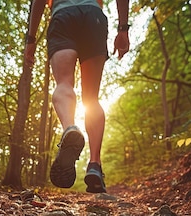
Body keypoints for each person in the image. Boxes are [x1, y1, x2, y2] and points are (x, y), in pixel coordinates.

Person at [24, 0, 130, 193]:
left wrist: (30, 38)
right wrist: (123, 28)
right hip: (93, 16)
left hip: (63, 16)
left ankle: (69, 129)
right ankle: (95, 165)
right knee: (91, 98)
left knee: (63, 83)